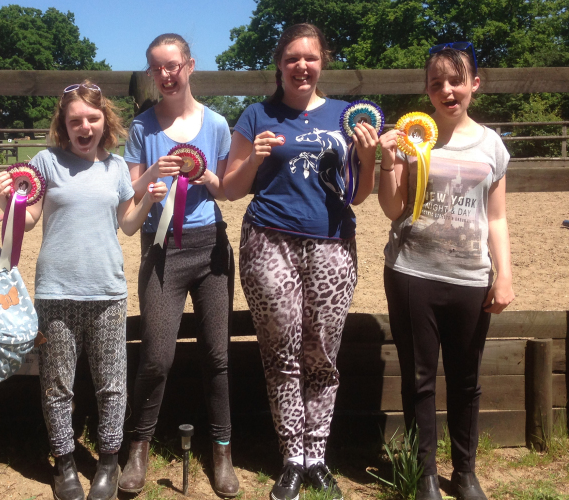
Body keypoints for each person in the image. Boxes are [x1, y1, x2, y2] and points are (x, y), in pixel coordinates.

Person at [224, 23, 379, 500]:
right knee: (281, 352)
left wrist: (369, 158)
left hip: (332, 242)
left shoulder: (345, 116)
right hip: (269, 240)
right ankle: (292, 456)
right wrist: (256, 159)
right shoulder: (256, 114)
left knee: (322, 353)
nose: (301, 66)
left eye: (310, 57)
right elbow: (231, 187)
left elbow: (360, 194)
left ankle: (318, 455)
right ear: (279, 63)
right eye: (292, 58)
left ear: (322, 61)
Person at [0, 81, 166, 500]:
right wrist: (5, 203)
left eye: (92, 118)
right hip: (56, 292)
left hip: (107, 291)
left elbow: (127, 223)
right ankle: (64, 462)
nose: (84, 127)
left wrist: (149, 199)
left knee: (111, 383)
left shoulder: (119, 167)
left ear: (105, 120)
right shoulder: (45, 162)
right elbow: (27, 219)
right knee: (57, 385)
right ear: (63, 126)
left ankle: (108, 461)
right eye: (75, 121)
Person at [378, 43, 514, 500]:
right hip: (412, 273)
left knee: (466, 379)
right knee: (418, 379)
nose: (446, 90)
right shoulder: (413, 139)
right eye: (436, 82)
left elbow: (496, 217)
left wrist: (505, 274)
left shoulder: (492, 145)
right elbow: (393, 209)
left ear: (475, 83)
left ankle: (465, 471)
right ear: (427, 90)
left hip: (471, 278)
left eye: (456, 80)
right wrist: (389, 162)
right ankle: (426, 476)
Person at [118, 33, 239, 497]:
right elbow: (134, 197)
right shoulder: (142, 129)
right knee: (157, 356)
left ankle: (222, 450)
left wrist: (206, 175)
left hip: (210, 250)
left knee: (218, 355)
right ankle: (139, 448)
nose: (166, 75)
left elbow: (227, 189)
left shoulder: (218, 125)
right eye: (157, 68)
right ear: (151, 74)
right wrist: (154, 174)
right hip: (161, 247)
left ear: (190, 65)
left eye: (173, 65)